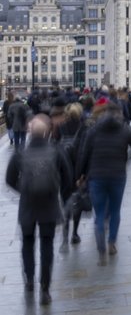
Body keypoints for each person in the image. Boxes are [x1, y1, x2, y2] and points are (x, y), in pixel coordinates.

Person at [5, 115, 73, 306]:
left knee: (27, 244)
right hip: (49, 206)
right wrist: (59, 193)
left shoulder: (20, 153)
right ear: (46, 132)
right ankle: (45, 288)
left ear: (29, 132)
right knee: (47, 246)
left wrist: (23, 190)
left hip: (28, 206)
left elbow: (9, 179)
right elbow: (68, 177)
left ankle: (29, 280)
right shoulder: (56, 151)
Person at [76, 102, 131, 265]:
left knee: (99, 215)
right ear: (119, 113)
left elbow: (84, 154)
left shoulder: (94, 130)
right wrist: (125, 159)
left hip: (97, 176)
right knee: (115, 210)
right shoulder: (125, 129)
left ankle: (101, 250)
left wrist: (80, 175)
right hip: (118, 175)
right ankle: (111, 242)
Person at [53, 102, 89, 249]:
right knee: (78, 203)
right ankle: (75, 233)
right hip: (79, 170)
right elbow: (87, 149)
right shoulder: (84, 128)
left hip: (63, 171)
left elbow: (54, 147)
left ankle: (65, 237)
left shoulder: (61, 127)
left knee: (65, 203)